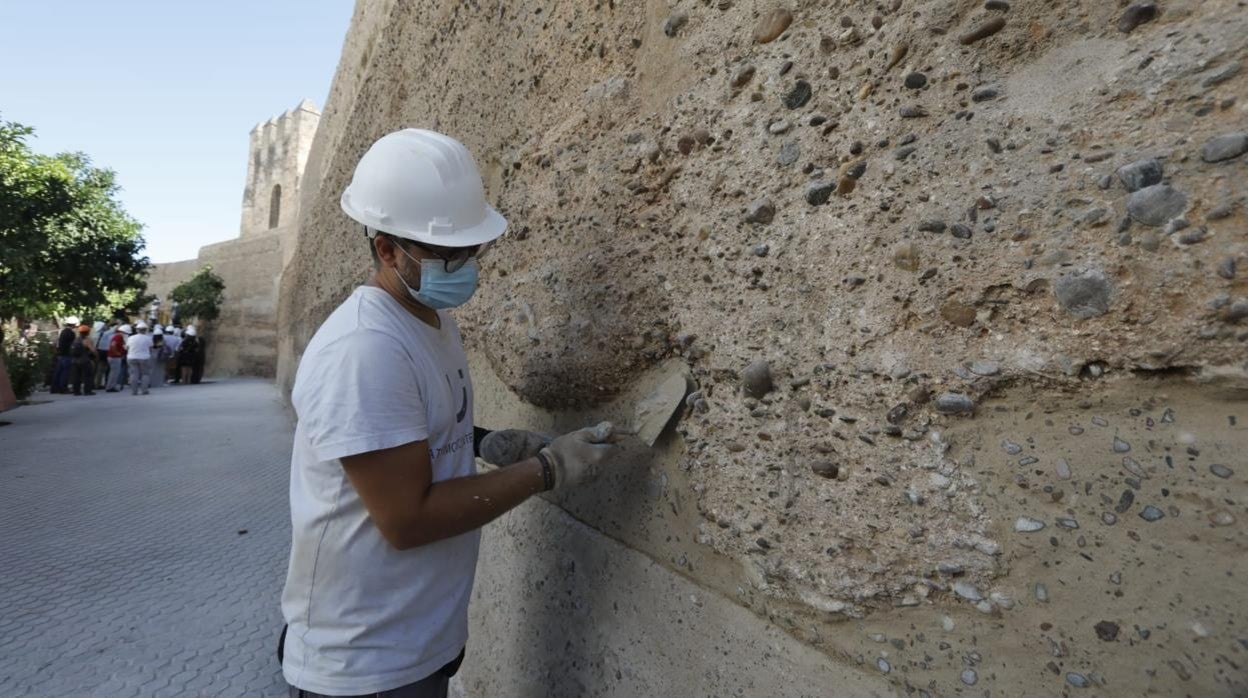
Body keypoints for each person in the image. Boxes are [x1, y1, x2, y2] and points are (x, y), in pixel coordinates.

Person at [280, 129, 630, 698]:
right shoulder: (365, 349)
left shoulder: (431, 320)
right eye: (444, 253)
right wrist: (545, 470)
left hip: (418, 639)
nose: (463, 264)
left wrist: (483, 440)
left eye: (470, 250)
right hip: (363, 663)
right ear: (386, 249)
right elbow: (407, 520)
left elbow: (413, 429)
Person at [51, 316, 79, 394]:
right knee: (65, 372)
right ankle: (63, 388)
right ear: (74, 324)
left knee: (58, 372)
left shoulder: (63, 331)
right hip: (67, 355)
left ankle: (54, 388)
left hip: (61, 354)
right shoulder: (71, 333)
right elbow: (72, 345)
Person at [125, 321, 153, 395]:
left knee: (134, 374)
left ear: (137, 330)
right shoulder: (148, 338)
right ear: (145, 330)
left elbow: (127, 348)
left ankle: (134, 391)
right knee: (145, 374)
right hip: (144, 357)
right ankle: (144, 390)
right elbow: (150, 348)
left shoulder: (131, 338)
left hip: (131, 357)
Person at [69, 324, 95, 396]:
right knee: (87, 376)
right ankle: (87, 391)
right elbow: (92, 350)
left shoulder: (76, 340)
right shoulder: (86, 340)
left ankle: (76, 391)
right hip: (84, 360)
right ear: (88, 332)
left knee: (76, 377)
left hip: (75, 361)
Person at [105, 324, 131, 392]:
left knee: (113, 373)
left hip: (113, 357)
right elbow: (113, 345)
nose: (126, 334)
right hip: (114, 357)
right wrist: (117, 353)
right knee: (114, 373)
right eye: (126, 333)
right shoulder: (118, 337)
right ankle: (111, 387)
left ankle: (110, 386)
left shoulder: (117, 336)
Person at [94, 321, 115, 390]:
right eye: (104, 326)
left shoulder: (95, 334)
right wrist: (118, 323)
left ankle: (97, 383)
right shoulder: (104, 334)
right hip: (103, 352)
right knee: (102, 369)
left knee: (99, 369)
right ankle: (99, 384)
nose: (106, 326)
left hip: (98, 352)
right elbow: (113, 330)